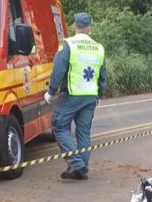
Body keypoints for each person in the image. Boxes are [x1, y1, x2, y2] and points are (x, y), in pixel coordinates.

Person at [44, 13, 107, 180]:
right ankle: (82, 168)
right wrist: (99, 94)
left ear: (74, 26)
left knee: (59, 126)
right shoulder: (99, 48)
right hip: (90, 95)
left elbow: (59, 70)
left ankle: (75, 163)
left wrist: (51, 91)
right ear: (89, 28)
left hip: (72, 95)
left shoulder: (68, 44)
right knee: (83, 132)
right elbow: (103, 75)